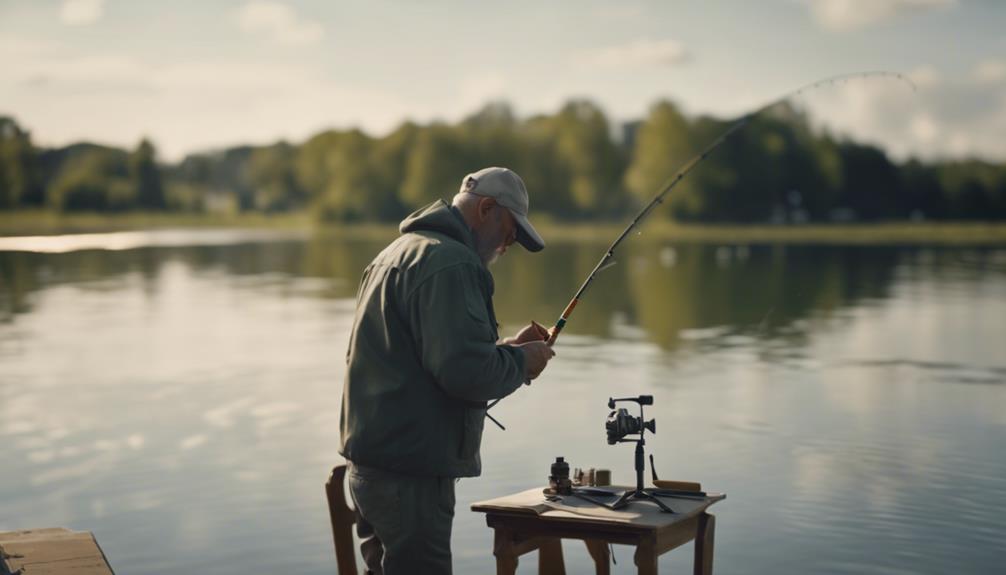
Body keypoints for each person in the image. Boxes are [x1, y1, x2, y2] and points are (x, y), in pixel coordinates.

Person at [339, 166, 556, 574]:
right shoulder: (452, 262)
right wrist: (523, 362)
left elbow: (430, 360)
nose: (508, 247)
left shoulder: (399, 252)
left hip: (371, 469)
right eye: (510, 233)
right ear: (487, 209)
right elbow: (465, 375)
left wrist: (507, 351)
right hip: (411, 478)